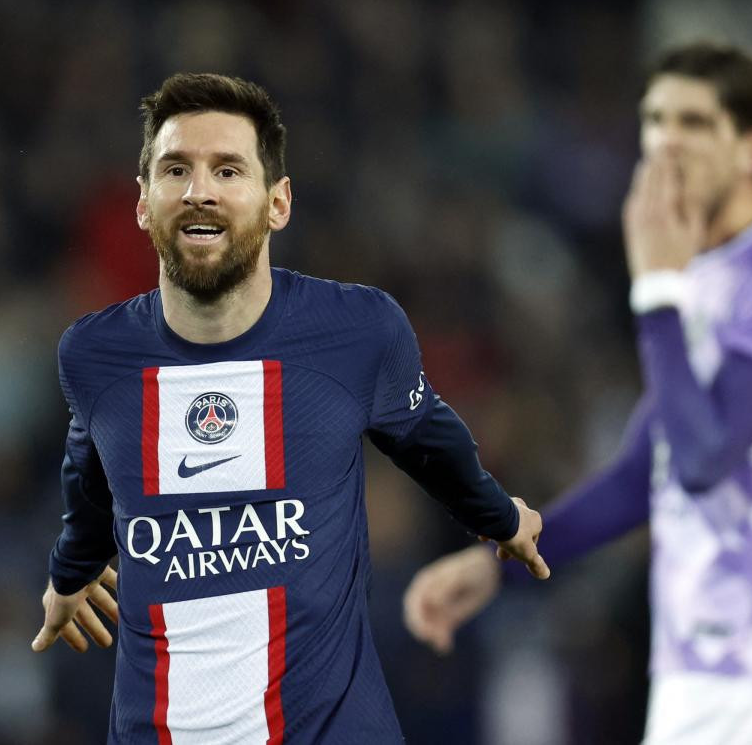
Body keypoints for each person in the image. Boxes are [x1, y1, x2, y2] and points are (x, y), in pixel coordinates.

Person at [29, 72, 551, 744]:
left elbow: (425, 432)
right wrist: (70, 574)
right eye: (176, 169)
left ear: (278, 204)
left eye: (227, 170)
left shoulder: (359, 331)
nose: (200, 191)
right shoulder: (93, 354)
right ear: (142, 203)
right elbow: (89, 467)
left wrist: (499, 515)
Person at [403, 41, 752, 744]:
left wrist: (655, 288)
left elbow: (707, 463)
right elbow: (641, 475)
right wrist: (501, 561)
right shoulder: (701, 281)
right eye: (655, 119)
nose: (667, 142)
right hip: (700, 668)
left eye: (695, 123)